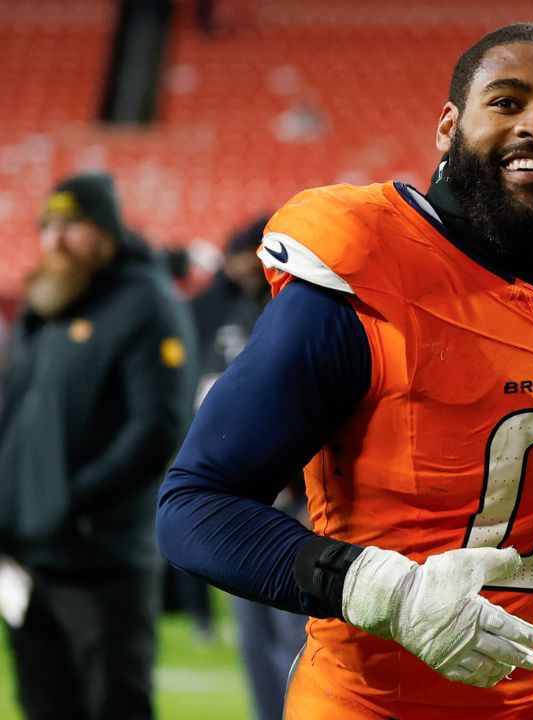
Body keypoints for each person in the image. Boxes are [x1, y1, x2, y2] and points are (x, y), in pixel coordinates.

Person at [157, 23, 533, 720]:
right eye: (506, 102)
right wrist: (380, 590)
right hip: (369, 705)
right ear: (449, 127)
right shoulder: (364, 272)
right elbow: (195, 505)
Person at [0, 173, 198, 719]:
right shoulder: (47, 303)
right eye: (49, 226)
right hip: (30, 562)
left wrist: (63, 503)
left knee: (114, 705)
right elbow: (16, 417)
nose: (57, 239)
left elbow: (155, 431)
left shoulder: (146, 302)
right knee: (43, 706)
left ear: (107, 233)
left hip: (102, 562)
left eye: (74, 225)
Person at [188, 214, 312, 719]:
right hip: (242, 504)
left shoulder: (308, 315)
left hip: (299, 507)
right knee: (257, 646)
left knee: (296, 644)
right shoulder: (232, 315)